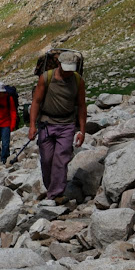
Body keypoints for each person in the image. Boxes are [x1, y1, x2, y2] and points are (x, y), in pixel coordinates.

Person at [28, 51, 87, 204]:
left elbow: (81, 106)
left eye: (71, 70)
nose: (68, 73)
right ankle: (51, 188)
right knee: (47, 159)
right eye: (65, 69)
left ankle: (55, 194)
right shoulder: (46, 78)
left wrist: (81, 130)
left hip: (67, 125)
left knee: (61, 158)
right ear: (59, 64)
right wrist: (32, 126)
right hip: (46, 123)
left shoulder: (78, 81)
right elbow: (36, 101)